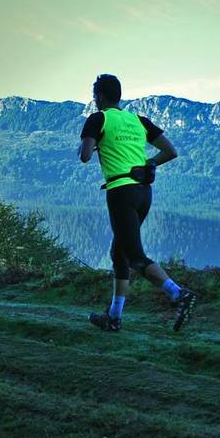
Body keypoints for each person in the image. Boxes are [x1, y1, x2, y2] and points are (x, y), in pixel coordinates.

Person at [77, 73, 197, 332]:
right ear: (118, 96)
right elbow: (170, 151)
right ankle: (114, 317)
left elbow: (85, 156)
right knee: (118, 253)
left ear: (99, 97)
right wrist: (151, 162)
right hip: (143, 193)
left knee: (134, 256)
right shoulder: (137, 120)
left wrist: (90, 144)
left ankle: (179, 294)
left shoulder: (99, 119)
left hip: (121, 192)